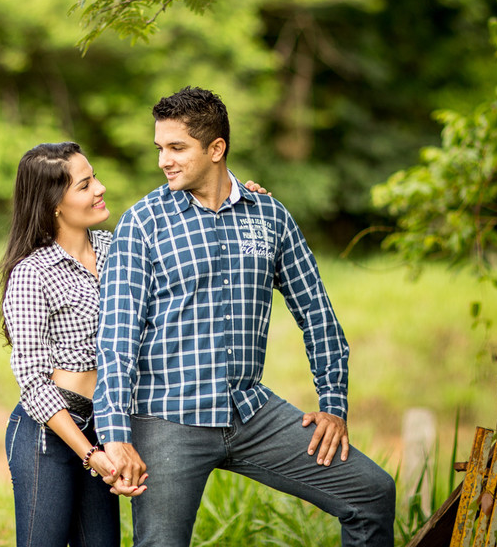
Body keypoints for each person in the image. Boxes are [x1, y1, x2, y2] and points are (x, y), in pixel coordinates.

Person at [93, 87, 397, 547]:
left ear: (217, 149)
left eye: (177, 148)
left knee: (372, 493)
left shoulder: (270, 217)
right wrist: (115, 435)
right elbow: (117, 339)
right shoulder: (143, 223)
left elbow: (317, 314)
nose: (164, 161)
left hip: (251, 413)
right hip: (168, 418)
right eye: (160, 148)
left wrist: (333, 403)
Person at [0, 142, 143, 547]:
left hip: (105, 424)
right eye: (85, 184)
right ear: (54, 204)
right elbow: (33, 382)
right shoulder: (32, 274)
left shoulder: (118, 249)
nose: (101, 188)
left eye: (94, 176)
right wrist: (90, 454)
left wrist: (240, 198)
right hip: (51, 433)